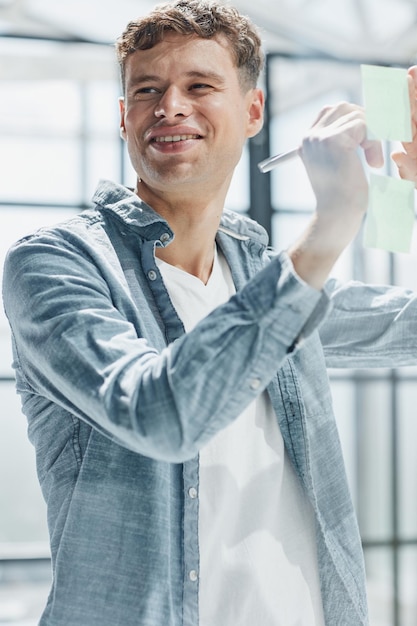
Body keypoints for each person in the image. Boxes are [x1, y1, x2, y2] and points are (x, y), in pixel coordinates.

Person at [3, 1, 417, 625]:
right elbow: (160, 415)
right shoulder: (55, 265)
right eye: (148, 89)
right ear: (123, 117)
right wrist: (330, 224)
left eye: (200, 85)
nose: (170, 106)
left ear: (254, 111)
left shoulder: (264, 276)